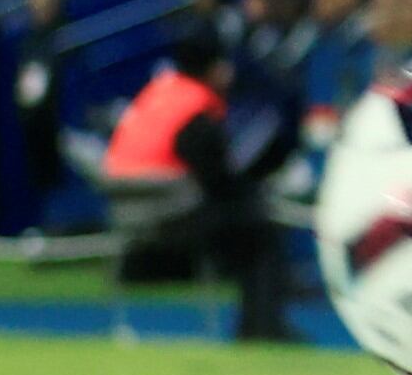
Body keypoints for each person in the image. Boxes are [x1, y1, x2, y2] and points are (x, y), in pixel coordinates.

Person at [100, 30, 293, 342]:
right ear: (216, 68)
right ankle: (263, 328)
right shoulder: (195, 109)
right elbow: (219, 180)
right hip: (171, 222)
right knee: (261, 230)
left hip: (125, 221)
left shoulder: (154, 94)